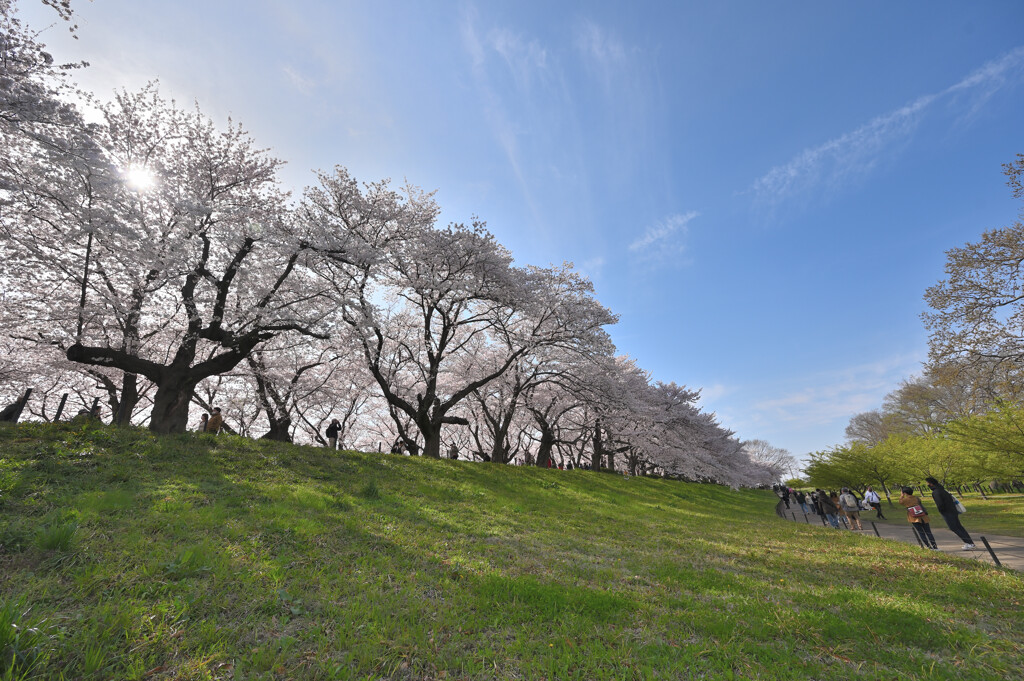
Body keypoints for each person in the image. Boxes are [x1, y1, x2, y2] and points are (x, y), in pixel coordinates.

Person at [925, 476, 975, 550]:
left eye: (927, 483)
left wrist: (941, 510)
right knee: (959, 526)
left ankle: (968, 542)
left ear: (931, 484)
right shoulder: (942, 489)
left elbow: (940, 504)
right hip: (953, 510)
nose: (927, 485)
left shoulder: (936, 492)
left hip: (947, 512)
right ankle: (970, 542)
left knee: (954, 527)